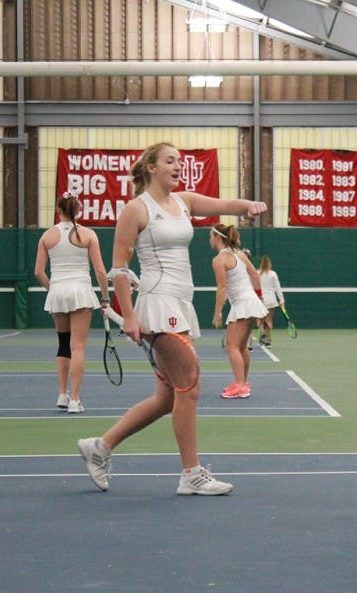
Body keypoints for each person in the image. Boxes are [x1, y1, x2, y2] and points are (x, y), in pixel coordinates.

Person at [77, 142, 267, 496]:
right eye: (169, 161)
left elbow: (224, 205)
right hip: (157, 305)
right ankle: (191, 474)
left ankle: (99, 447)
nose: (178, 166)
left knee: (167, 399)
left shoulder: (185, 201)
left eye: (180, 161)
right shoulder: (136, 209)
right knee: (190, 387)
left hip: (181, 303)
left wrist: (249, 207)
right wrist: (129, 316)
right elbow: (119, 268)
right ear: (151, 167)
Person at [34, 191, 110, 414]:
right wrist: (105, 299)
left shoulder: (47, 236)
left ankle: (62, 394)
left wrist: (53, 289)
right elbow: (100, 271)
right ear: (78, 210)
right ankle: (75, 400)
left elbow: (38, 272)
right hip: (80, 292)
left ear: (58, 210)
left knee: (63, 343)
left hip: (58, 292)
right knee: (78, 346)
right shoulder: (88, 235)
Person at [209, 223, 267, 398]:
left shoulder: (219, 260)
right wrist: (259, 298)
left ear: (218, 238)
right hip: (249, 302)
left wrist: (218, 312)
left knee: (232, 346)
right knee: (241, 347)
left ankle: (240, 385)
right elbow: (255, 275)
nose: (209, 240)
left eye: (211, 236)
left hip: (243, 303)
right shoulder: (240, 255)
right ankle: (242, 382)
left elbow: (222, 288)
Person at [256, 255, 286, 346]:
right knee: (269, 320)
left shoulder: (257, 273)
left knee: (260, 321)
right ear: (269, 264)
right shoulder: (273, 274)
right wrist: (282, 300)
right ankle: (268, 341)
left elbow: (253, 287)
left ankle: (263, 335)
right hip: (271, 301)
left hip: (260, 300)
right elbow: (278, 288)